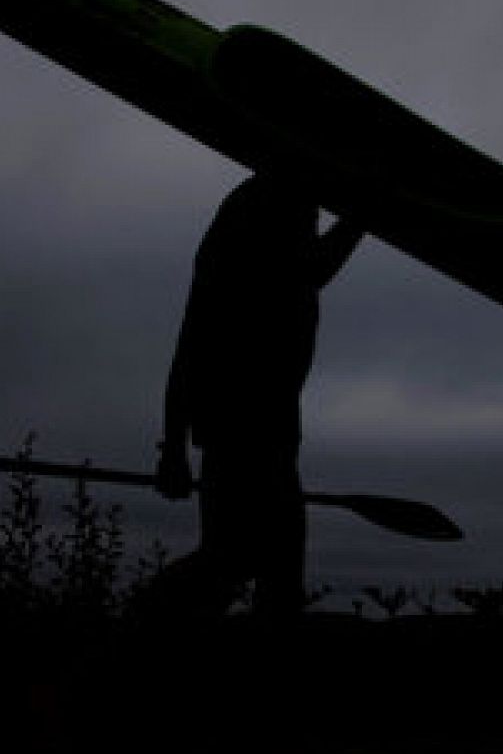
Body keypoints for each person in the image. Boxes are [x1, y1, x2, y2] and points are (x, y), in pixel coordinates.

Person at [151, 174, 364, 616]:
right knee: (242, 560)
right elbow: (309, 268)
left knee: (268, 570)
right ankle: (150, 620)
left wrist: (175, 445)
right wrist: (363, 215)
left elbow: (190, 344)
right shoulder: (268, 202)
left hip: (262, 426)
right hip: (244, 426)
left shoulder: (265, 203)